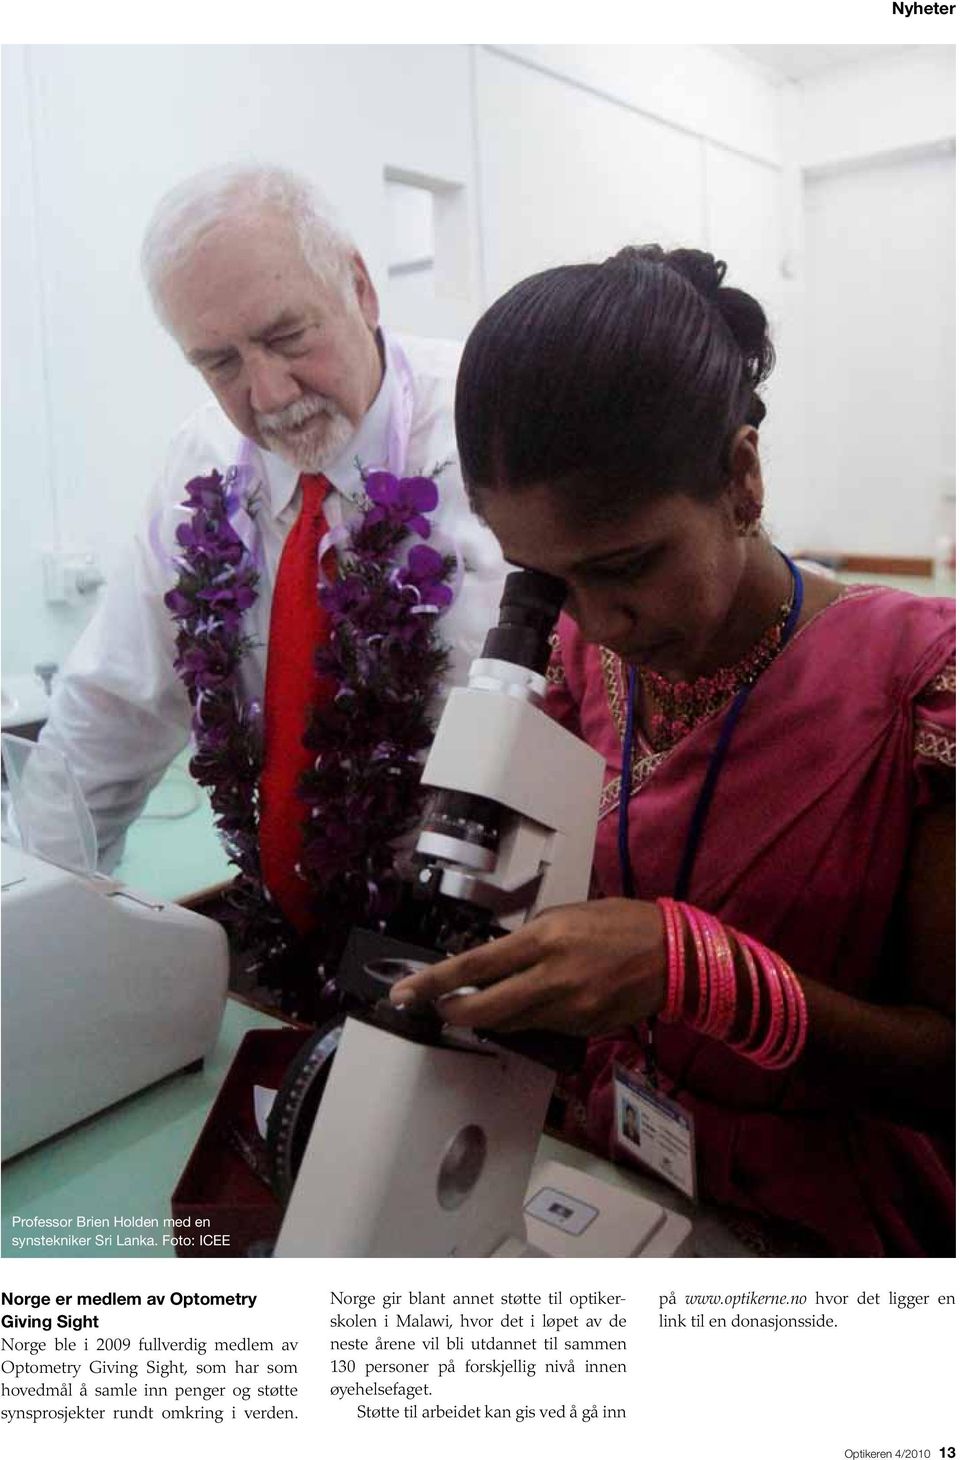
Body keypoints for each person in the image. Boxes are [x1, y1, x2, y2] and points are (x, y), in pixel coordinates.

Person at [391, 245, 956, 1257]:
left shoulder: (922, 680)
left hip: (824, 1218)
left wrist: (692, 971)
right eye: (549, 577)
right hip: (610, 1162)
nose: (598, 620)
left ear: (740, 477)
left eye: (626, 566)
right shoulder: (575, 652)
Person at [37, 164, 506, 997]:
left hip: (491, 952)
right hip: (291, 954)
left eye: (288, 337)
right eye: (219, 363)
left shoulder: (495, 427)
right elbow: (106, 711)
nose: (268, 393)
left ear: (360, 288)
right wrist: (37, 935)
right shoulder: (203, 467)